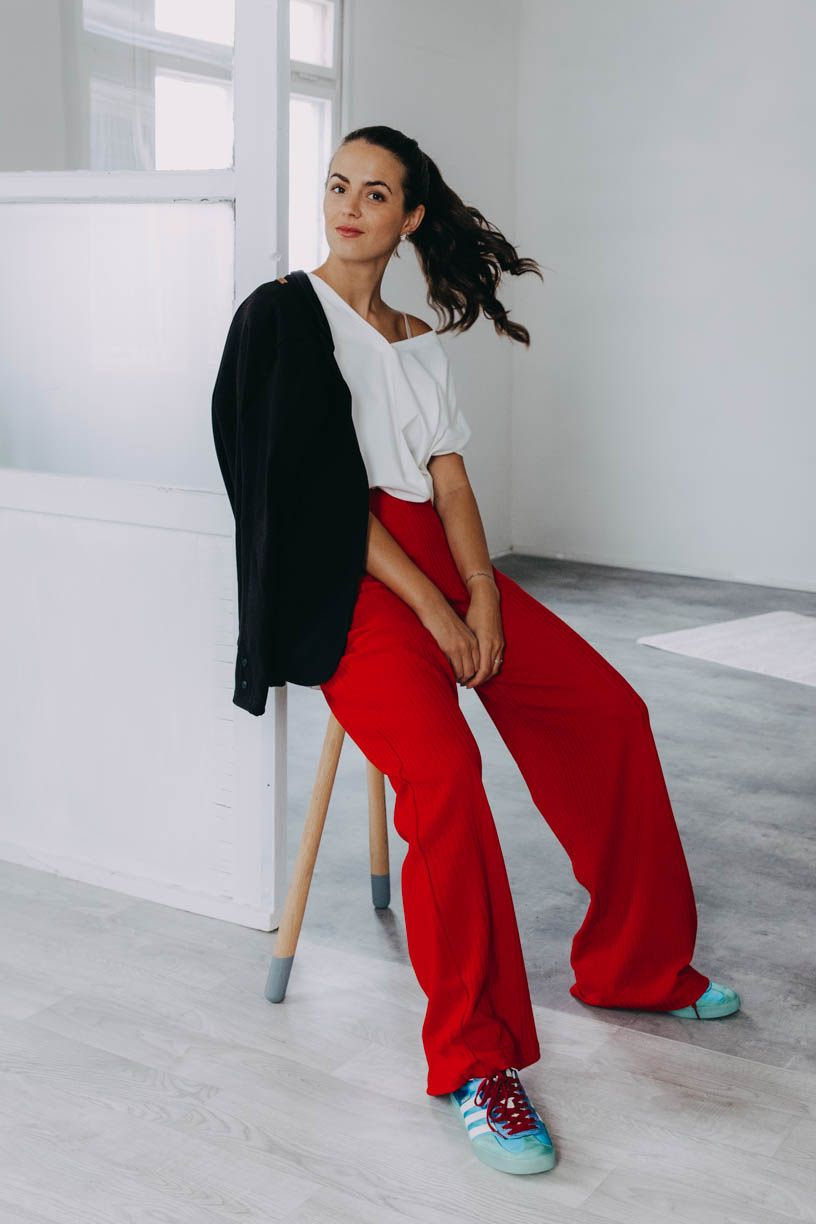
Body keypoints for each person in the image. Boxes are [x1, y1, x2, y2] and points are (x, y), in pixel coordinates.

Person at [222, 125, 741, 1178]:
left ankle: (635, 966)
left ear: (411, 217)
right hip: (349, 583)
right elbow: (316, 500)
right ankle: (475, 1062)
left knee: (609, 711)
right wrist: (435, 608)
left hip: (438, 563)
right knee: (448, 779)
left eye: (376, 194)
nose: (349, 207)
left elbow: (450, 483)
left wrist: (486, 594)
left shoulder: (417, 339)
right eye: (338, 186)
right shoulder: (282, 316)